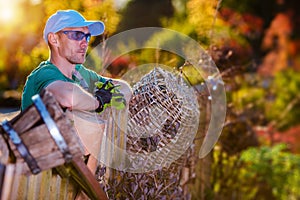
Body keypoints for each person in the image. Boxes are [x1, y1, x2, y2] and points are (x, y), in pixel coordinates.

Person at [21, 9, 127, 113]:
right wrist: (99, 102)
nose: (85, 43)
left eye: (87, 36)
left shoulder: (81, 73)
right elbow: (68, 97)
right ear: (54, 39)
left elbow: (124, 88)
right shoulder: (43, 74)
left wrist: (111, 97)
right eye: (77, 35)